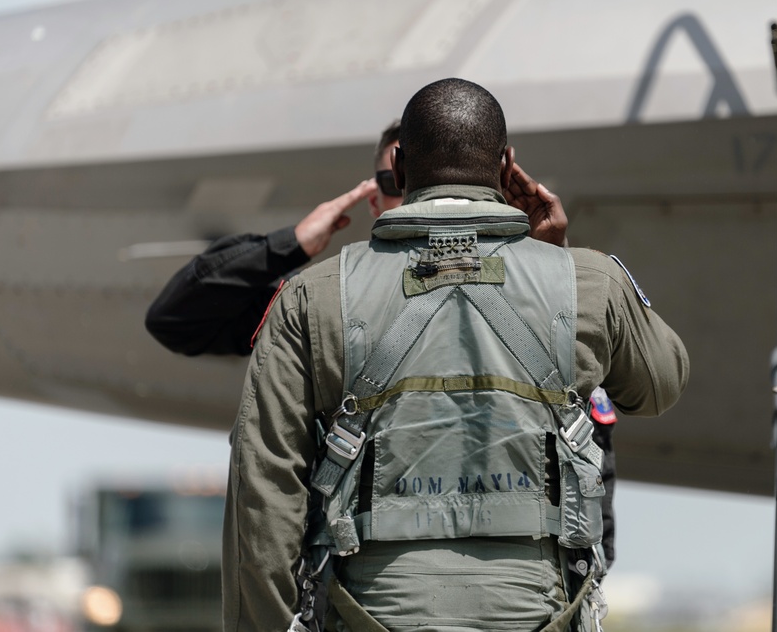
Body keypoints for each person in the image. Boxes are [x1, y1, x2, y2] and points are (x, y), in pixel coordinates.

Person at [222, 78, 688, 631]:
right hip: (538, 613)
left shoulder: (311, 296)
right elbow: (660, 385)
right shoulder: (590, 282)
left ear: (397, 166)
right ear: (507, 163)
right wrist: (558, 262)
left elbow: (264, 491)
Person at [145, 122, 621, 566]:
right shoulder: (330, 311)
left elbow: (603, 435)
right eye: (402, 182)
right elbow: (177, 320)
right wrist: (288, 245)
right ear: (376, 197)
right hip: (367, 594)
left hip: (525, 594)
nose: (423, 196)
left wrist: (550, 264)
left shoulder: (546, 301)